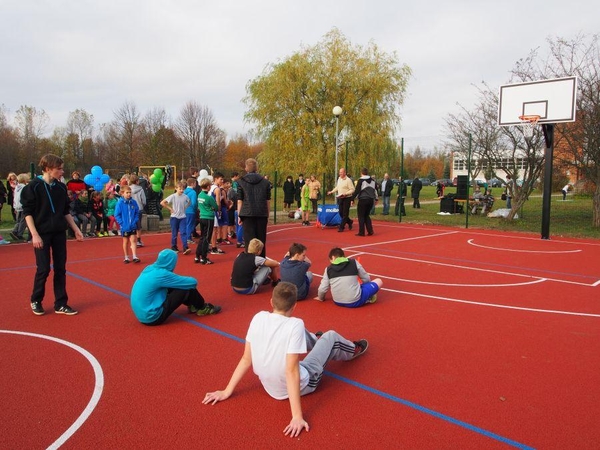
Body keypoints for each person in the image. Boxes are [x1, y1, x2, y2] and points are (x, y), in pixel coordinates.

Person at [203, 281, 368, 438]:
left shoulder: (258, 317)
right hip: (303, 382)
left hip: (270, 387)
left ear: (271, 302)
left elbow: (246, 358)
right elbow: (291, 371)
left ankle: (316, 340)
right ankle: (353, 349)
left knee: (302, 333)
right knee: (330, 336)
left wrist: (226, 391)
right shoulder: (295, 324)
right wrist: (297, 416)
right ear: (294, 306)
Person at [21, 154, 84, 316]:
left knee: (60, 268)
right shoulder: (33, 187)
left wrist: (75, 229)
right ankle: (36, 299)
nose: (62, 172)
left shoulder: (61, 187)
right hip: (41, 233)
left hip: (58, 233)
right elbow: (27, 213)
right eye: (59, 169)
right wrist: (34, 234)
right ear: (48, 169)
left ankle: (61, 303)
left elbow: (65, 211)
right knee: (43, 269)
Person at [130, 249, 221, 325]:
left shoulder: (150, 268)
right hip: (153, 317)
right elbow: (193, 282)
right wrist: (178, 280)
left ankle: (193, 305)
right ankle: (202, 308)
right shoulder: (162, 274)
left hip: (141, 315)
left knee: (173, 286)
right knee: (186, 288)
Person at [317, 247, 382, 308]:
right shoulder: (354, 262)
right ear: (343, 256)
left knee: (358, 286)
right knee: (379, 281)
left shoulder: (328, 269)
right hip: (355, 301)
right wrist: (368, 288)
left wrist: (320, 298)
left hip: (337, 301)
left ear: (333, 257)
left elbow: (322, 288)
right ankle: (367, 298)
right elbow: (366, 278)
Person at [237, 158, 271, 257]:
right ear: (257, 168)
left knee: (249, 241)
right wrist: (267, 215)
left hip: (247, 213)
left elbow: (240, 201)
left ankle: (250, 262)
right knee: (261, 240)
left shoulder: (241, 182)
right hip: (261, 213)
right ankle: (262, 261)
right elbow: (267, 201)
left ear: (246, 168)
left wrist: (240, 215)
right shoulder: (265, 182)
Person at [161, 180, 191, 254]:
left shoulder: (185, 196)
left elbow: (189, 202)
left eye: (183, 189)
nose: (181, 190)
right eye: (180, 189)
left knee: (183, 232)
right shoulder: (173, 196)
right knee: (174, 233)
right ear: (176, 188)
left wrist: (185, 207)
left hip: (182, 217)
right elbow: (162, 202)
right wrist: (170, 208)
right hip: (174, 217)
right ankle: (174, 246)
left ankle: (185, 247)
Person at [114, 185, 141, 264]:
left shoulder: (133, 202)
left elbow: (137, 212)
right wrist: (122, 223)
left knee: (133, 240)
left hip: (132, 225)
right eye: (127, 193)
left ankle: (135, 256)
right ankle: (126, 257)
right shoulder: (120, 203)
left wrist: (135, 220)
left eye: (130, 192)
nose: (129, 194)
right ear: (122, 193)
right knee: (125, 241)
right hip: (125, 226)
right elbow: (117, 215)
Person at [195, 178, 218, 265]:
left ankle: (197, 255)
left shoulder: (200, 195)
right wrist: (212, 207)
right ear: (208, 187)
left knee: (202, 237)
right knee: (206, 238)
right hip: (209, 218)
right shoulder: (209, 198)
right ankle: (204, 257)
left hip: (202, 217)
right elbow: (216, 207)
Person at [352, 168, 378, 236]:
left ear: (361, 173)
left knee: (361, 216)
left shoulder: (361, 181)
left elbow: (357, 191)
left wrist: (352, 199)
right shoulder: (373, 181)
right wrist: (376, 199)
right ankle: (370, 231)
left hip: (363, 200)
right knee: (367, 215)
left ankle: (361, 232)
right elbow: (376, 191)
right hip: (370, 200)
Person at [327, 168, 354, 233]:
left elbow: (352, 189)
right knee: (341, 213)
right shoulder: (339, 179)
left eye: (341, 172)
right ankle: (350, 221)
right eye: (339, 172)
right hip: (340, 198)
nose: (340, 174)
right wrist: (331, 191)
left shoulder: (348, 180)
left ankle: (341, 227)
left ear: (345, 172)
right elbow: (338, 187)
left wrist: (346, 193)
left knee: (345, 214)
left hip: (347, 198)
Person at [9, 173, 31, 242]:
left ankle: (15, 230)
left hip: (17, 206)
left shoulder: (17, 188)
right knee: (23, 221)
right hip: (22, 206)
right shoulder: (24, 187)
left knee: (18, 220)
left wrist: (15, 206)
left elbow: (15, 197)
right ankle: (19, 234)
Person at [128, 174, 147, 247]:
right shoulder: (141, 189)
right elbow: (144, 200)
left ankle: (132, 240)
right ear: (137, 181)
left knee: (132, 225)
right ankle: (138, 240)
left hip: (130, 209)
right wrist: (143, 204)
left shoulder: (128, 189)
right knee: (139, 226)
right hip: (139, 208)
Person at [184, 178, 199, 246]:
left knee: (186, 224)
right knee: (190, 224)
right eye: (195, 183)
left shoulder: (184, 191)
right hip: (191, 210)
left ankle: (186, 237)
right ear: (192, 184)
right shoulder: (193, 192)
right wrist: (196, 209)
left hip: (185, 210)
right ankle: (188, 238)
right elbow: (194, 203)